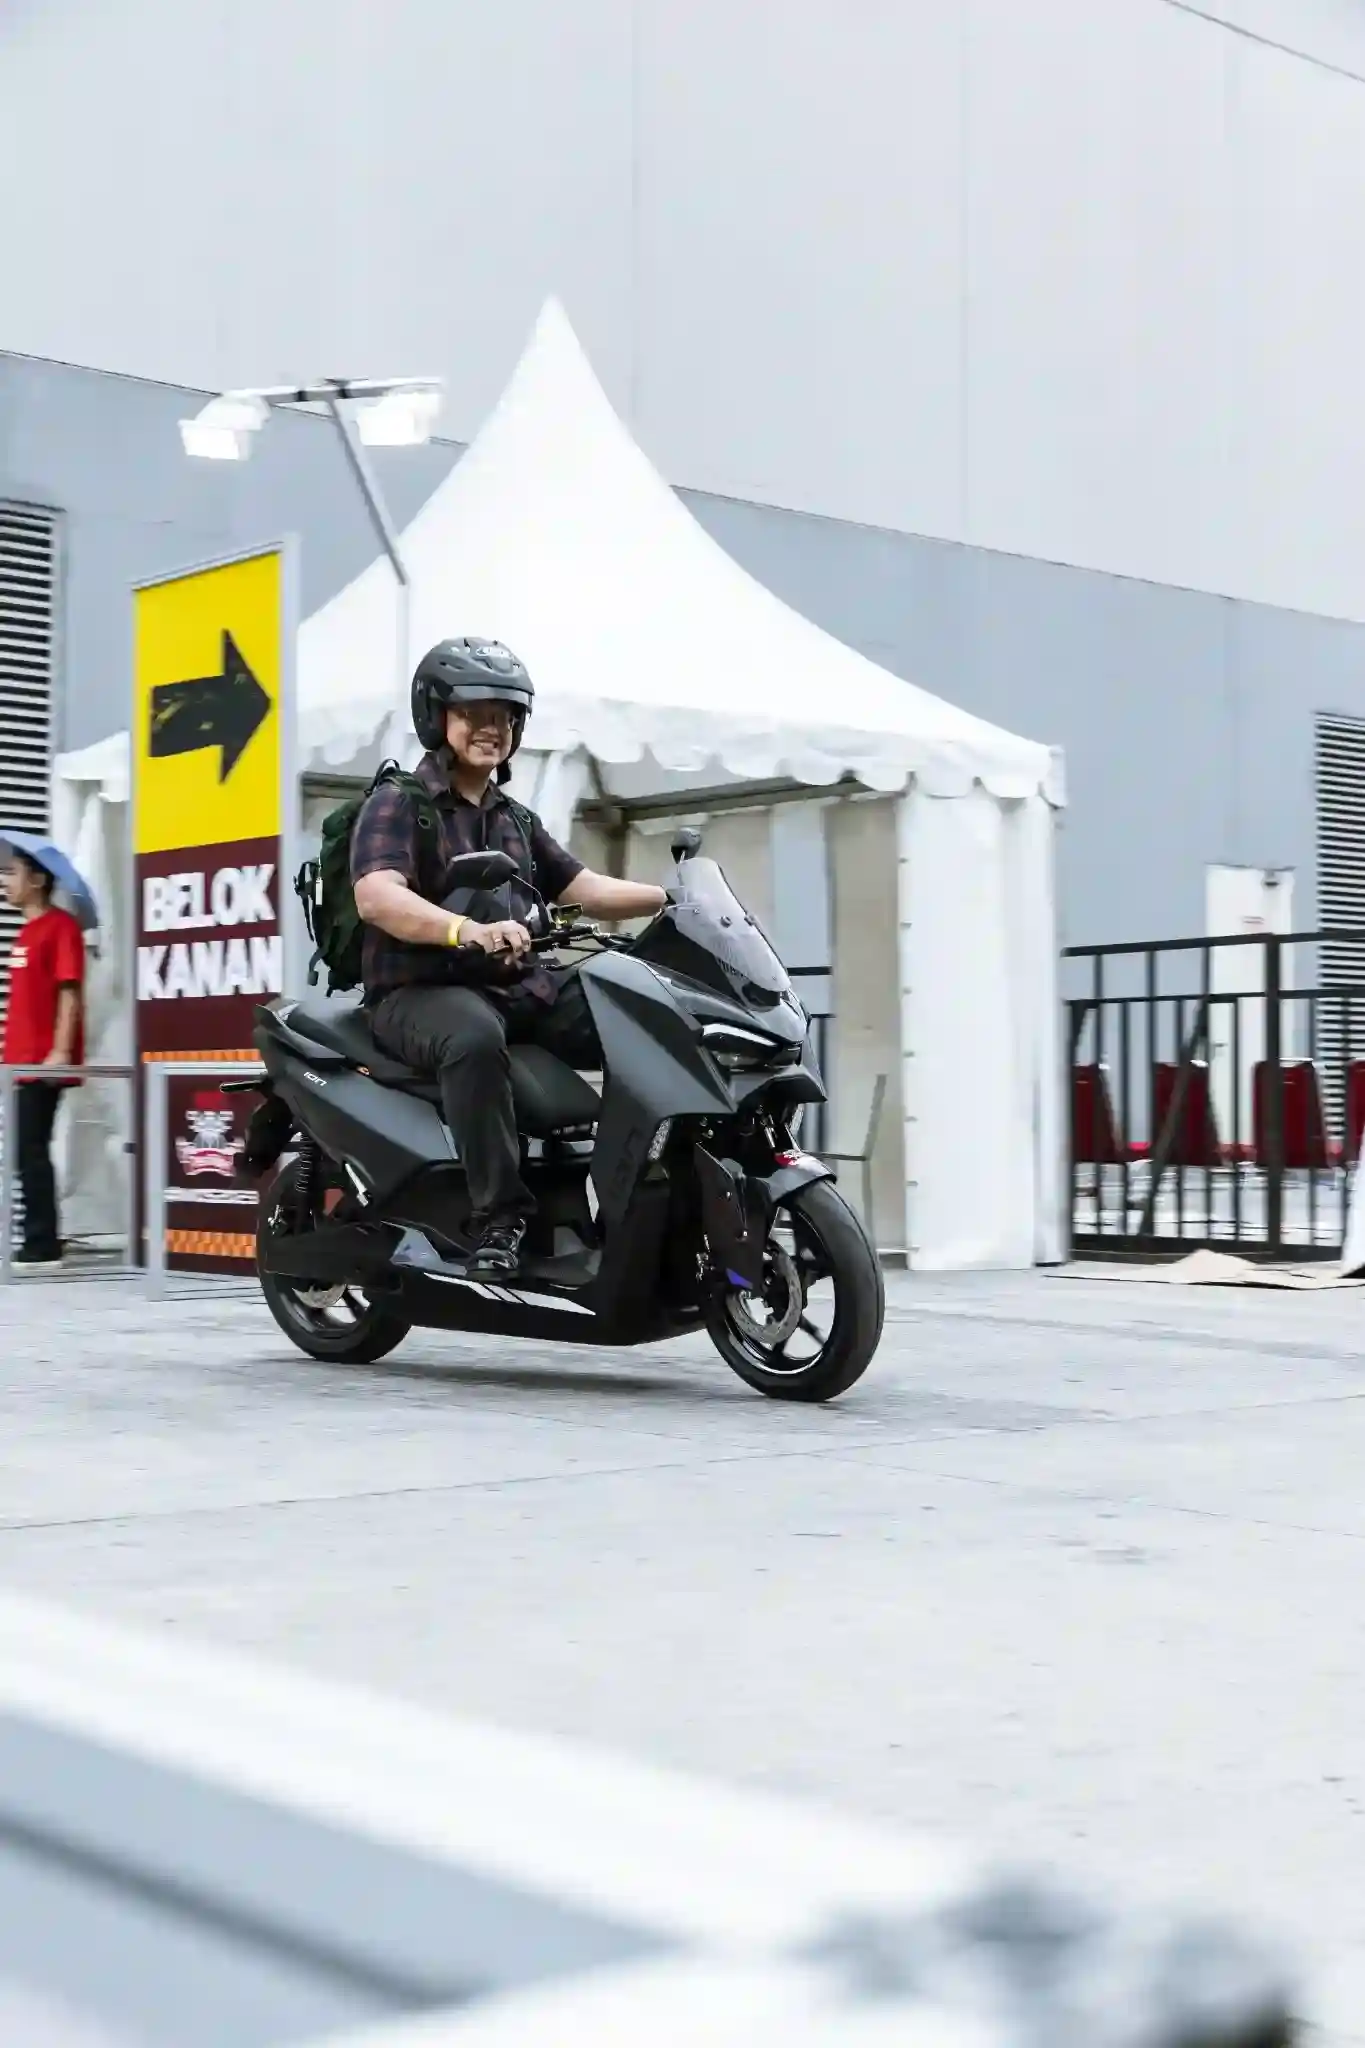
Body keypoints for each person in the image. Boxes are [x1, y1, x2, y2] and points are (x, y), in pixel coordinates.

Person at [351, 638, 666, 1277]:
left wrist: (674, 897)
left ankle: (643, 1192)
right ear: (437, 717)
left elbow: (586, 889)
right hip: (417, 992)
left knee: (635, 1012)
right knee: (471, 1037)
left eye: (505, 716)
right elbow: (377, 896)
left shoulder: (514, 818)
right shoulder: (400, 803)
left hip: (512, 986)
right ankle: (499, 1218)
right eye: (474, 713)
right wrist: (463, 929)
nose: (491, 728)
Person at [2, 848, 86, 1269]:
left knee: (29, 1150)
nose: (5, 880)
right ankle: (37, 1235)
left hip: (43, 1061)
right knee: (24, 1149)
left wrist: (60, 1050)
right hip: (19, 1061)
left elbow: (69, 992)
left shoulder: (61, 927)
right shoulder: (24, 934)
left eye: (12, 872)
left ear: (37, 880)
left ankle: (43, 1243)